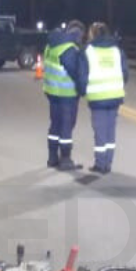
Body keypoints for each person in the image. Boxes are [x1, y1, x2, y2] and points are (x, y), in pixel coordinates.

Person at [41, 20, 88, 170]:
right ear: (79, 33)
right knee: (67, 126)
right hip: (66, 93)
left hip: (52, 91)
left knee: (55, 124)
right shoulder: (69, 49)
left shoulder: (51, 45)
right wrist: (82, 89)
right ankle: (66, 160)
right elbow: (75, 72)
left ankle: (52, 158)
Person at [83, 22, 128, 174]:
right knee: (110, 131)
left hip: (98, 97)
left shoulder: (89, 51)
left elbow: (83, 75)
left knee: (100, 132)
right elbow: (125, 73)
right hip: (115, 95)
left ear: (93, 34)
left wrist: (83, 91)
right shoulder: (117, 50)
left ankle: (100, 164)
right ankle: (108, 163)